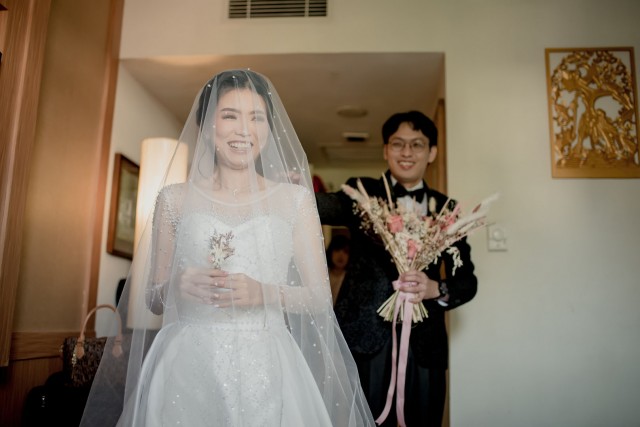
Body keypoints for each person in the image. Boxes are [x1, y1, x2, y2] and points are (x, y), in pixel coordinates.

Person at [80, 70, 374, 426]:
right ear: (207, 126)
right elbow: (153, 299)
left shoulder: (295, 201)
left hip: (267, 362)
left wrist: (265, 292)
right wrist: (176, 285)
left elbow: (319, 297)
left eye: (257, 118)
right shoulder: (173, 200)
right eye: (230, 116)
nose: (244, 130)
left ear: (269, 129)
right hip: (188, 363)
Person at [315, 110, 478, 427]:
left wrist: (435, 288)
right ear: (386, 150)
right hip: (364, 340)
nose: (407, 152)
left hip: (425, 347)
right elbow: (324, 206)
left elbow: (467, 281)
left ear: (432, 152)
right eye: (398, 143)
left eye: (417, 144)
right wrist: (295, 192)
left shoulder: (447, 210)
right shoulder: (362, 193)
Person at [325, 234, 350, 304]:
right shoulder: (323, 274)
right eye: (337, 250)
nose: (341, 255)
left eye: (346, 251)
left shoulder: (350, 279)